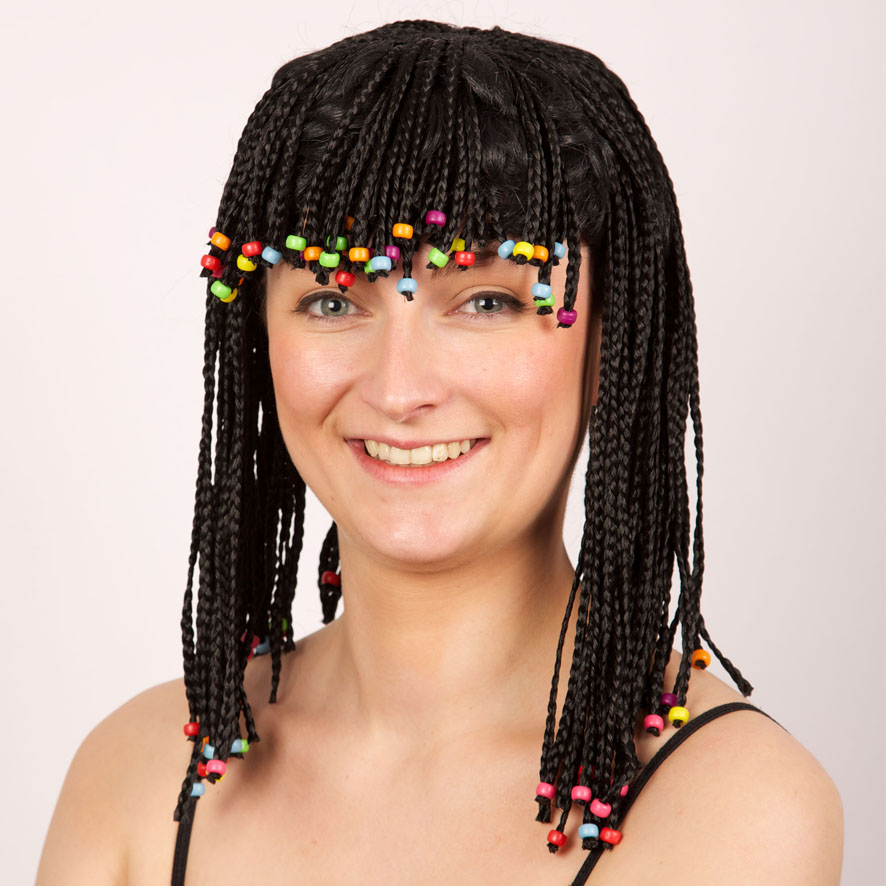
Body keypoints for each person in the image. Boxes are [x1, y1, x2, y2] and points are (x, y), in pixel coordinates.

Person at [37, 20, 843, 885]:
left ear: (615, 341)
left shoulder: (731, 807)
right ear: (257, 336)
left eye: (488, 301)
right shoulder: (138, 774)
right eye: (332, 302)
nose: (399, 388)